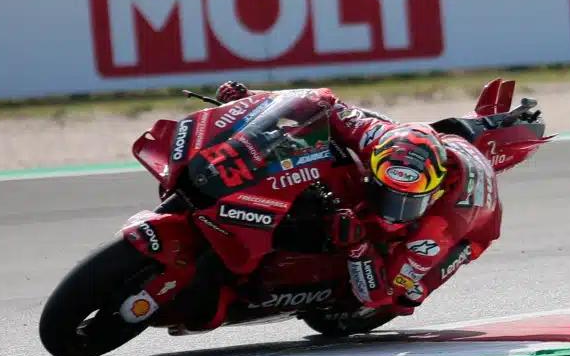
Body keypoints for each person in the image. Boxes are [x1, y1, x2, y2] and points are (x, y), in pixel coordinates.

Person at [212, 80, 501, 315]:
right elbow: (319, 101)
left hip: (473, 229)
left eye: (408, 202)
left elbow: (380, 295)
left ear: (433, 192)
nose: (392, 213)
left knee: (405, 297)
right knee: (323, 138)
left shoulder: (440, 226)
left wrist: (359, 247)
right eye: (386, 194)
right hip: (414, 142)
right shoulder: (371, 137)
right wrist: (250, 97)